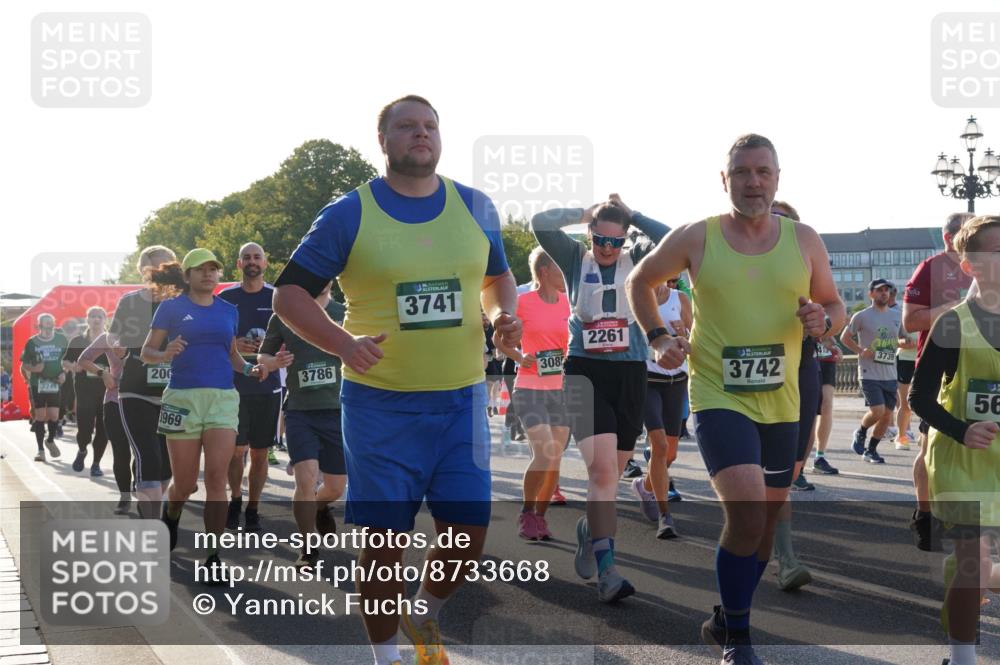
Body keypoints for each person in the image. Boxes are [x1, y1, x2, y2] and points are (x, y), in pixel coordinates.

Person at [272, 95, 519, 665]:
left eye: (430, 125)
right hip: (381, 406)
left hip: (462, 401)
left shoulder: (476, 206)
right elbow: (289, 295)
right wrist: (342, 343)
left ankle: (425, 610)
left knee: (468, 536)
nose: (421, 133)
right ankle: (387, 657)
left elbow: (498, 277)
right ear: (382, 141)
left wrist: (503, 315)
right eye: (406, 126)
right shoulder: (348, 214)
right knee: (385, 545)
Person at [626, 134, 845, 664]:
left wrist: (824, 320)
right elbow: (640, 280)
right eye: (742, 172)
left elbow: (834, 306)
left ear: (777, 178)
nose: (753, 182)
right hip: (718, 393)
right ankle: (739, 641)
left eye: (763, 172)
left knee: (764, 525)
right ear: (725, 180)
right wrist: (657, 336)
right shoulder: (696, 236)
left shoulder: (804, 239)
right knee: (746, 514)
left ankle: (728, 614)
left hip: (783, 401)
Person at [532, 193, 669, 603]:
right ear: (590, 235)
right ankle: (608, 571)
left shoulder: (638, 257)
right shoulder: (575, 258)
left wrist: (634, 214)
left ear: (625, 239)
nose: (607, 248)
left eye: (615, 241)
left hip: (630, 374)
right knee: (603, 473)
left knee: (611, 474)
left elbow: (672, 238)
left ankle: (589, 531)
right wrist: (582, 213)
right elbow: (540, 223)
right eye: (600, 240)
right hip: (583, 373)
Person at [143, 248, 268, 583]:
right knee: (184, 484)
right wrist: (164, 353)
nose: (208, 274)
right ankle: (171, 513)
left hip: (222, 399)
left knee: (216, 479)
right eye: (200, 269)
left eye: (213, 269)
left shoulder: (229, 310)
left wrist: (250, 369)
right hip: (181, 398)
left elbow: (232, 356)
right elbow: (147, 352)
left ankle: (213, 557)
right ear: (187, 276)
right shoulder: (171, 308)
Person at [909, 215, 1000, 665]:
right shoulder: (952, 325)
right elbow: (918, 398)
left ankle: (973, 581)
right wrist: (963, 429)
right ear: (970, 266)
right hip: (960, 458)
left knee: (977, 570)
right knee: (972, 561)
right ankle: (962, 658)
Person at [258, 281, 344, 569]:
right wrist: (275, 361)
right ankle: (307, 548)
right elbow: (263, 356)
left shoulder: (345, 313)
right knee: (305, 479)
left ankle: (320, 504)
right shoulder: (284, 313)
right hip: (300, 411)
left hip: (337, 410)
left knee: (336, 487)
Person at [904, 212, 975, 550]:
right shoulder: (930, 268)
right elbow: (910, 321)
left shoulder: (989, 267)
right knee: (928, 446)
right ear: (949, 238)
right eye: (968, 233)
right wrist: (957, 308)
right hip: (941, 367)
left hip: (984, 365)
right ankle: (925, 515)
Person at [494, 247, 570, 541]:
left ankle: (540, 517)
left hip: (558, 389)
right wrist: (518, 356)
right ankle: (526, 513)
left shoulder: (568, 303)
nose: (565, 274)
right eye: (560, 268)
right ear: (544, 272)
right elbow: (498, 339)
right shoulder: (523, 302)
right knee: (544, 452)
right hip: (529, 388)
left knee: (554, 459)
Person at [109, 245, 185, 517]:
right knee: (147, 456)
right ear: (145, 271)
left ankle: (152, 507)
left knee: (167, 464)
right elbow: (113, 334)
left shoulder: (182, 301)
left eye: (170, 265)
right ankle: (152, 524)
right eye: (159, 266)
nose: (166, 271)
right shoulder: (130, 301)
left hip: (174, 393)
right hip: (136, 391)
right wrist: (117, 346)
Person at [219, 242, 283, 532]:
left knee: (259, 452)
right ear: (239, 263)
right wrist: (234, 344)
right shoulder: (225, 298)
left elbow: (292, 335)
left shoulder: (277, 297)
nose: (252, 261)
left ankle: (253, 508)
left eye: (257, 257)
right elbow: (213, 337)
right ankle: (235, 500)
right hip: (233, 386)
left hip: (267, 386)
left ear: (265, 262)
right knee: (236, 450)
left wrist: (273, 354)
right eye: (247, 257)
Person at [633, 278, 690, 539]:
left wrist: (684, 334)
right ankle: (665, 516)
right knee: (659, 444)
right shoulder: (636, 298)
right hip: (647, 380)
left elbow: (695, 336)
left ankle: (645, 485)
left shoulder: (680, 299)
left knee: (670, 453)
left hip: (676, 381)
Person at [840, 279, 906, 464]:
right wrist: (861, 350)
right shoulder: (862, 316)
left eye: (886, 290)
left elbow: (903, 338)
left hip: (890, 373)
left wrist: (907, 342)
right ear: (871, 294)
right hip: (869, 372)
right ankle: (861, 432)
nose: (884, 293)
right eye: (879, 290)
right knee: (877, 411)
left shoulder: (897, 315)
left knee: (886, 416)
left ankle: (871, 450)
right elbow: (845, 337)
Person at [77, 326, 131, 513]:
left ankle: (144, 488)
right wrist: (103, 373)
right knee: (121, 451)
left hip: (148, 401)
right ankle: (125, 496)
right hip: (116, 399)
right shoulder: (109, 337)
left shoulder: (155, 332)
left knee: (145, 452)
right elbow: (83, 359)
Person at [64, 307, 110, 476]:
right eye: (93, 316)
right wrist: (73, 366)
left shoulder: (111, 341)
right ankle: (82, 450)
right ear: (87, 319)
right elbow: (65, 362)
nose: (96, 319)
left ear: (105, 320)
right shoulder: (78, 341)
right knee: (85, 428)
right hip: (84, 391)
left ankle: (96, 464)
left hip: (107, 391)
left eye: (100, 316)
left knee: (103, 429)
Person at [20, 313, 68, 461]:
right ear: (39, 325)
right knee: (40, 416)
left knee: (54, 415)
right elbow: (24, 364)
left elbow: (67, 360)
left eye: (50, 322)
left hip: (55, 382)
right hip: (38, 383)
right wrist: (34, 369)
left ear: (54, 324)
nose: (48, 324)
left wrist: (64, 373)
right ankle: (40, 450)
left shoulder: (61, 339)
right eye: (45, 322)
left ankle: (50, 440)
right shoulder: (32, 342)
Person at [810, 335, 842, 475]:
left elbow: (831, 328)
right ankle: (797, 460)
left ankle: (819, 457)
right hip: (807, 354)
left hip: (826, 358)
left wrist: (836, 346)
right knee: (808, 408)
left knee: (826, 405)